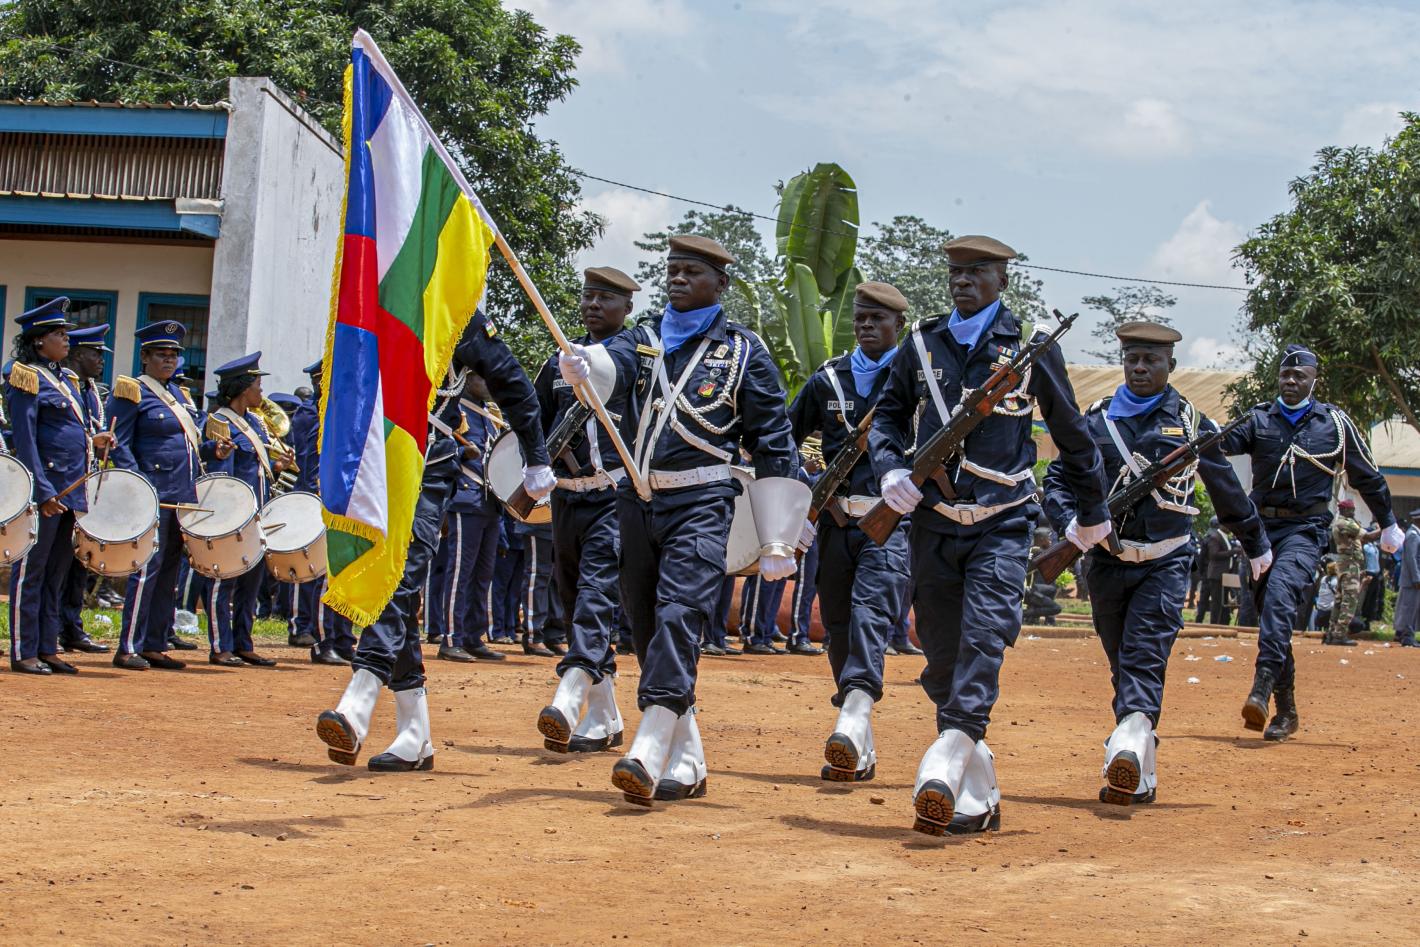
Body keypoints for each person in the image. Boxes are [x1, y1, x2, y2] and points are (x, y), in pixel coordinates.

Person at [867, 235, 1111, 834]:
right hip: (932, 523)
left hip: (1003, 522)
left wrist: (1092, 511)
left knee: (983, 639)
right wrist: (891, 469)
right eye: (956, 272)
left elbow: (1072, 435)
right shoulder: (921, 343)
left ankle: (946, 761)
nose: (963, 281)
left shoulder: (1029, 349)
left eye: (977, 272)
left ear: (1003, 281)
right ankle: (979, 788)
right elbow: (888, 416)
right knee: (941, 659)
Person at [558, 235, 803, 805]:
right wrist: (585, 365)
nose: (677, 278)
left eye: (691, 271)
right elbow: (612, 365)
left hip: (702, 500)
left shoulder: (743, 352)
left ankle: (647, 746)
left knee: (679, 614)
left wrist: (779, 536)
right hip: (636, 499)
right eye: (672, 269)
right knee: (646, 625)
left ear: (720, 283)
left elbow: (773, 440)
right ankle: (688, 758)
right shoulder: (641, 338)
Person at [316, 311, 553, 772]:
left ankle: (362, 692)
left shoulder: (454, 310)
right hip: (371, 459)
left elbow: (511, 380)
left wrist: (536, 455)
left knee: (401, 575)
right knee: (391, 584)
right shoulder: (368, 294)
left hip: (428, 461)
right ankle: (414, 733)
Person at [1043, 321, 1270, 798]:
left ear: (1171, 364)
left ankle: (1125, 745)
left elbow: (1226, 489)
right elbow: (1058, 479)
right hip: (1105, 562)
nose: (1140, 368)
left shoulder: (1190, 424)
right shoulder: (1097, 419)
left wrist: (1255, 542)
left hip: (1165, 563)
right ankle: (1141, 767)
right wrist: (1070, 524)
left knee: (1144, 656)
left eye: (1151, 360)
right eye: (1133, 359)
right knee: (1121, 661)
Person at [1220, 344, 1402, 739]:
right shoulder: (1259, 419)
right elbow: (1217, 444)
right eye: (1284, 375)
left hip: (1306, 530)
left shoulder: (1334, 424)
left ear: (1313, 381)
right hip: (1260, 533)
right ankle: (1287, 712)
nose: (1290, 381)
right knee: (1272, 612)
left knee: (1281, 595)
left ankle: (1261, 686)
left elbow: (1367, 476)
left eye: (1298, 376)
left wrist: (1388, 521)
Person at [788, 280, 913, 782]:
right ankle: (858, 734)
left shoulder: (917, 379)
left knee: (870, 612)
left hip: (890, 521)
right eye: (860, 317)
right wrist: (798, 498)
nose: (865, 325)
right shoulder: (829, 379)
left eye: (877, 319)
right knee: (838, 623)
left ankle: (855, 708)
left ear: (898, 324)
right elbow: (783, 436)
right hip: (836, 521)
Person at [535, 266, 639, 753]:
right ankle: (605, 716)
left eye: (605, 298)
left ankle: (571, 688)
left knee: (598, 592)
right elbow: (533, 424)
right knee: (573, 598)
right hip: (565, 497)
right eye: (588, 296)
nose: (593, 305)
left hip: (613, 496)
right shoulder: (558, 363)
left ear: (627, 308)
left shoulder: (638, 362)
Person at [108, 321, 231, 670]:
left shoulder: (180, 396)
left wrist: (213, 451)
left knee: (169, 573)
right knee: (146, 570)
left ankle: (155, 643)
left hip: (181, 493)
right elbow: (120, 444)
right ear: (145, 357)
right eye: (161, 354)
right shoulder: (131, 391)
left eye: (174, 355)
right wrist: (138, 486)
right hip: (152, 494)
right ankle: (128, 646)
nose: (169, 360)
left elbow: (188, 447)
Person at [5, 299, 115, 674]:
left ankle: (48, 645)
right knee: (32, 572)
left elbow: (68, 433)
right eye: (58, 333)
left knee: (56, 573)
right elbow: (26, 440)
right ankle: (24, 651)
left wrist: (95, 441)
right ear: (39, 341)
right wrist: (43, 492)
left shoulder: (65, 380)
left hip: (71, 487)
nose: (66, 339)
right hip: (48, 489)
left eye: (66, 332)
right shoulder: (26, 377)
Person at [203, 352, 285, 667]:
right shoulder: (221, 422)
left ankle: (243, 643)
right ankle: (220, 645)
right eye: (257, 385)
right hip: (232, 514)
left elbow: (257, 468)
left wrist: (278, 466)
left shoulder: (254, 423)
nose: (261, 391)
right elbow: (220, 475)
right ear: (242, 388)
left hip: (256, 512)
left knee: (251, 581)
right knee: (223, 580)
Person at [429, 374, 503, 663]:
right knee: (460, 573)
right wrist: (461, 452)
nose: (489, 384)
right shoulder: (454, 409)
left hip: (490, 502)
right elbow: (435, 446)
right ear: (469, 379)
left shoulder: (489, 415)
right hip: (465, 499)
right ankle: (451, 638)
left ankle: (473, 636)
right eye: (483, 379)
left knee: (483, 575)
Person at [57, 323, 114, 655]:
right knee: (58, 562)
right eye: (96, 354)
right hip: (66, 483)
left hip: (88, 482)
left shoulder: (91, 391)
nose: (101, 360)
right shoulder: (67, 386)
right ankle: (51, 627)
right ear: (78, 355)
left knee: (81, 559)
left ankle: (71, 626)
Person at [1195, 518, 1231, 625]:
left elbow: (1201, 558)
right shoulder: (1214, 537)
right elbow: (1206, 556)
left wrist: (1201, 572)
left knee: (1206, 599)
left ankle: (1199, 620)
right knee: (1212, 600)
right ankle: (1201, 621)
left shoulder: (1209, 537)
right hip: (1211, 572)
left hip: (1209, 572)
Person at [1393, 510, 1420, 647]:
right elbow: (1411, 558)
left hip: (1411, 578)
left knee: (1409, 606)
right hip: (1411, 580)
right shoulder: (1413, 535)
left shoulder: (1414, 534)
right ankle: (1407, 636)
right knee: (1410, 607)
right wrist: (1417, 578)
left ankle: (1401, 633)